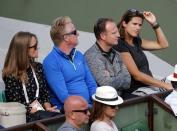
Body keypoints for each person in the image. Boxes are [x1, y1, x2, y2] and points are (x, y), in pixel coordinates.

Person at [114, 9, 173, 99]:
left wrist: (154, 23)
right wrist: (165, 85)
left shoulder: (136, 41)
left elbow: (163, 44)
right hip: (137, 91)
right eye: (134, 24)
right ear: (124, 23)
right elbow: (137, 75)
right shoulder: (119, 44)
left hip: (150, 87)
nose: (138, 28)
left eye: (140, 25)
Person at [43, 16, 97, 110]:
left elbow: (91, 83)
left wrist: (97, 104)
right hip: (70, 112)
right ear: (66, 37)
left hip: (88, 107)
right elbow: (64, 97)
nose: (78, 34)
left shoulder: (79, 55)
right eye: (75, 32)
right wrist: (88, 108)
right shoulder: (51, 62)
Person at [2, 31, 57, 122]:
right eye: (34, 47)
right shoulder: (11, 74)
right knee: (56, 119)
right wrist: (33, 110)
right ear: (23, 50)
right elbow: (16, 104)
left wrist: (47, 107)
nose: (37, 48)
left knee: (64, 115)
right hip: (24, 116)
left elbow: (45, 94)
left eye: (37, 45)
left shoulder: (38, 67)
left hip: (40, 113)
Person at [85, 18, 131, 95]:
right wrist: (121, 77)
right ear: (103, 36)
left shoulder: (117, 54)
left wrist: (112, 78)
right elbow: (105, 85)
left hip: (120, 98)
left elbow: (128, 81)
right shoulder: (92, 56)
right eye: (114, 33)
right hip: (104, 103)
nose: (118, 35)